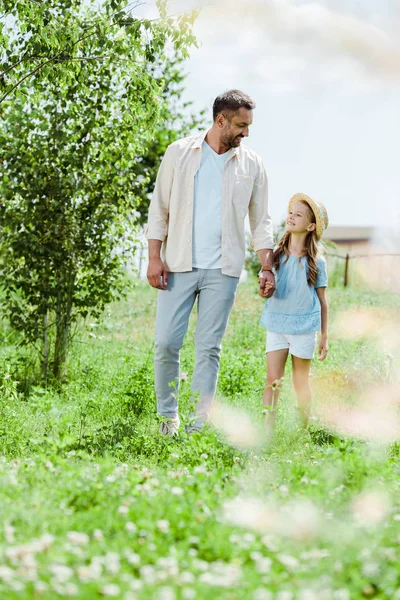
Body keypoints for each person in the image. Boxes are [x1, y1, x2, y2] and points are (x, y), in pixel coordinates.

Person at [145, 89, 275, 436]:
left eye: (248, 126)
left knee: (208, 349)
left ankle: (197, 426)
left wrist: (267, 266)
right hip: (177, 265)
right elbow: (159, 208)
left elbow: (261, 221)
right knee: (166, 343)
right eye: (241, 125)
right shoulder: (179, 153)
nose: (246, 133)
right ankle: (167, 419)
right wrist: (154, 257)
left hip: (223, 271)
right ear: (221, 120)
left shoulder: (252, 164)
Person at [259, 192, 329, 434]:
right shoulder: (274, 257)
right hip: (277, 325)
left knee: (301, 382)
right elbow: (266, 289)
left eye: (298, 215)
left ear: (310, 226)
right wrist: (265, 291)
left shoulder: (317, 262)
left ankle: (302, 431)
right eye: (290, 213)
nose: (291, 217)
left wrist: (324, 336)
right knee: (273, 381)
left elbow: (323, 301)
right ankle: (267, 431)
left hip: (303, 329)